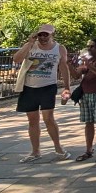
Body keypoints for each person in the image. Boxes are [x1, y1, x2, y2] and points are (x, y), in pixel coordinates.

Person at [12, 24, 71, 164]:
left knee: (48, 118)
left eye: (46, 35)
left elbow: (63, 66)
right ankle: (35, 151)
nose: (43, 37)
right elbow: (16, 59)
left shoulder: (59, 48)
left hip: (48, 87)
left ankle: (58, 148)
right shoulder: (31, 46)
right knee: (32, 120)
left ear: (52, 35)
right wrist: (29, 44)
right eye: (40, 35)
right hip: (29, 87)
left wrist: (67, 87)